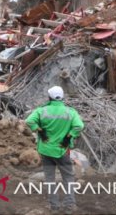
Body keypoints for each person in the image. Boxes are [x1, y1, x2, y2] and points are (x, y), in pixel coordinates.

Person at [25, 85, 84, 214]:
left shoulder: (42, 111)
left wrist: (40, 131)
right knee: (68, 177)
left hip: (46, 150)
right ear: (62, 97)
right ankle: (69, 205)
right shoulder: (70, 112)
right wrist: (68, 137)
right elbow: (79, 125)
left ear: (49, 97)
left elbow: (29, 121)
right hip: (62, 150)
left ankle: (54, 206)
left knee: (50, 178)